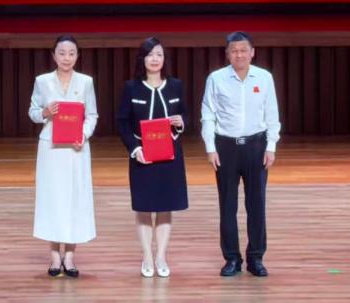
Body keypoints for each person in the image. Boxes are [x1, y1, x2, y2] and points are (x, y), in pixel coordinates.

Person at [200, 31, 281, 278]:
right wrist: (210, 148)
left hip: (256, 146)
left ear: (252, 52)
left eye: (243, 50)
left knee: (257, 204)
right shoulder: (216, 78)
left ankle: (256, 258)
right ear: (227, 54)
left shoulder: (264, 78)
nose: (239, 54)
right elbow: (208, 114)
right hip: (226, 147)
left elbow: (272, 114)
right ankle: (232, 258)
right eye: (234, 50)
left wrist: (271, 146)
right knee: (227, 205)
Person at [115, 37, 188, 278]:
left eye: (159, 54)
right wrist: (135, 149)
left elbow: (184, 116)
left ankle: (161, 256)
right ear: (142, 59)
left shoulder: (176, 86)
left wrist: (181, 123)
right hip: (142, 156)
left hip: (170, 156)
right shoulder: (131, 88)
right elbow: (122, 123)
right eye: (149, 54)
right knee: (144, 208)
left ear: (164, 59)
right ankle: (147, 256)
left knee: (166, 207)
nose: (155, 59)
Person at [29, 34, 98, 278]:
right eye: (61, 53)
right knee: (53, 199)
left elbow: (92, 115)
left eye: (71, 53)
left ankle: (69, 255)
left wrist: (84, 134)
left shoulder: (86, 82)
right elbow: (33, 112)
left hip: (76, 148)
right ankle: (54, 256)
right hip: (51, 149)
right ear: (54, 56)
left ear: (77, 56)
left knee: (74, 199)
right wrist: (45, 112)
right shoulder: (43, 81)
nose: (66, 58)